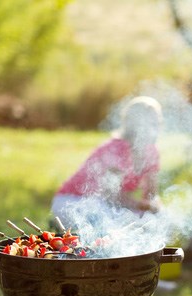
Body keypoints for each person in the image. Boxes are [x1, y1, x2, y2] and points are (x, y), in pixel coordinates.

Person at [51, 96, 163, 229]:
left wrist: (154, 207)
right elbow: (112, 195)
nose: (157, 127)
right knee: (125, 225)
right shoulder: (117, 149)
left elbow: (151, 194)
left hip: (104, 204)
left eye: (157, 122)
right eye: (152, 122)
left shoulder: (151, 151)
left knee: (158, 220)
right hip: (73, 201)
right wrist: (142, 206)